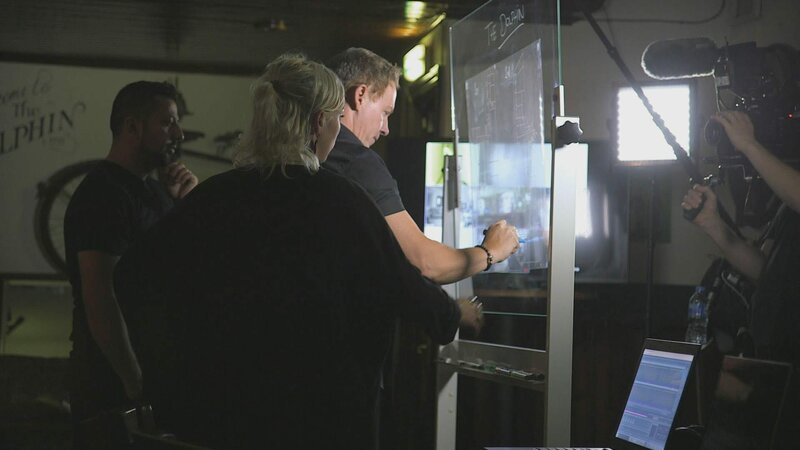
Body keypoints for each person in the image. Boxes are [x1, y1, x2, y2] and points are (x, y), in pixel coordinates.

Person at [112, 53, 483, 450]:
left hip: (224, 415)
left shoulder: (212, 197)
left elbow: (132, 275)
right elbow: (399, 283)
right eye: (337, 121)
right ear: (317, 124)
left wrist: (172, 369)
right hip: (323, 416)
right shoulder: (343, 202)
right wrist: (453, 312)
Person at [63, 80, 198, 444]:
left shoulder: (153, 191)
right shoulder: (102, 196)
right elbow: (101, 296)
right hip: (110, 385)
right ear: (132, 127)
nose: (178, 133)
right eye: (167, 122)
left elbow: (180, 271)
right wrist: (134, 384)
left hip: (150, 378)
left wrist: (183, 206)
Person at [323, 47, 520, 284]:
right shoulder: (356, 162)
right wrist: (491, 252)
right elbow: (425, 263)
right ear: (361, 95)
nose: (386, 129)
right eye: (385, 112)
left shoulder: (310, 149)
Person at [682, 110, 800, 447]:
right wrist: (714, 225)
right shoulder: (786, 204)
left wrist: (748, 144)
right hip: (772, 368)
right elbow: (769, 273)